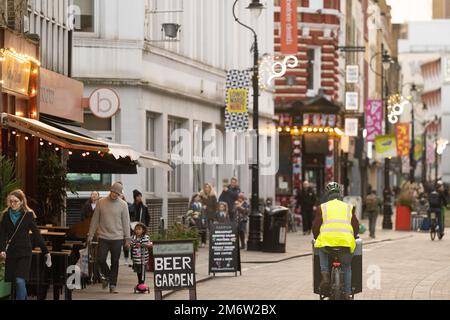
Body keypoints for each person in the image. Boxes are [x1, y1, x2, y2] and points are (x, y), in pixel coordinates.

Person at [0, 190, 52, 300]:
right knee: (17, 281)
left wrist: (46, 251)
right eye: (11, 201)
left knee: (19, 280)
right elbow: (2, 235)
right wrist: (2, 249)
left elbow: (37, 234)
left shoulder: (27, 215)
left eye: (16, 201)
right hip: (12, 252)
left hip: (24, 252)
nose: (13, 204)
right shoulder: (5, 216)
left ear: (22, 202)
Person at [312, 182, 359, 300]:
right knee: (347, 267)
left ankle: (325, 275)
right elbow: (355, 226)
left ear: (327, 195)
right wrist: (354, 236)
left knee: (320, 246)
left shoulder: (322, 208)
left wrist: (318, 237)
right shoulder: (348, 207)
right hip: (345, 244)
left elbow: (316, 228)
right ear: (340, 194)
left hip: (327, 244)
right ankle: (347, 294)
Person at [87, 182, 131, 294]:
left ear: (120, 194)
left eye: (117, 193)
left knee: (115, 261)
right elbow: (95, 219)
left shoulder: (123, 205)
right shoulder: (101, 202)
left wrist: (127, 239)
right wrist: (90, 234)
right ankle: (108, 277)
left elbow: (126, 222)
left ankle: (112, 285)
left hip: (117, 237)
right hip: (103, 236)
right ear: (110, 190)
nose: (115, 195)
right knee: (100, 259)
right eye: (114, 192)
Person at [130, 223, 152, 288]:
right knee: (138, 272)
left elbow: (148, 244)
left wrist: (145, 245)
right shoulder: (133, 238)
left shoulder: (146, 237)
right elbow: (131, 244)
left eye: (139, 229)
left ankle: (142, 283)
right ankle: (140, 283)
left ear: (143, 230)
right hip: (136, 259)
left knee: (143, 271)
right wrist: (132, 245)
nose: (137, 231)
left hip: (143, 259)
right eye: (136, 229)